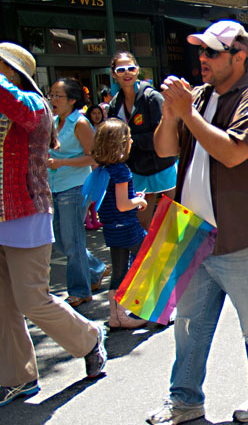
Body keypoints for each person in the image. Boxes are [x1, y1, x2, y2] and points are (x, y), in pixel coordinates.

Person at [149, 20, 248, 425]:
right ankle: (185, 399)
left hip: (242, 234)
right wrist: (172, 115)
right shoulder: (199, 97)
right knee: (188, 326)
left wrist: (188, 113)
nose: (202, 59)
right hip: (190, 231)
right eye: (201, 52)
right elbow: (164, 150)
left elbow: (231, 154)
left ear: (239, 57)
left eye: (212, 52)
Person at [0, 42, 106, 406]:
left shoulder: (35, 106)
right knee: (2, 304)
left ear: (12, 74)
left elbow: (15, 107)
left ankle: (89, 338)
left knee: (32, 299)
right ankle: (19, 377)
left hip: (25, 215)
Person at [47, 77, 108, 307]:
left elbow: (93, 157)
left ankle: (80, 291)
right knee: (61, 242)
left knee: (72, 243)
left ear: (72, 100)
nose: (53, 99)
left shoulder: (80, 123)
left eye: (57, 95)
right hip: (54, 187)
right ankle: (96, 269)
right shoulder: (53, 121)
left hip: (74, 187)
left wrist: (61, 163)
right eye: (51, 94)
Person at [90, 118, 148, 329]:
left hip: (112, 229)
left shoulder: (102, 169)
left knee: (119, 270)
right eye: (129, 137)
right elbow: (124, 204)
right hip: (128, 227)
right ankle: (149, 308)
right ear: (121, 143)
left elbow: (113, 200)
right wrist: (140, 201)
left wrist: (133, 197)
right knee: (149, 261)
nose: (132, 140)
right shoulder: (122, 170)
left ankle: (117, 316)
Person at [108, 51, 178, 228]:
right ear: (114, 73)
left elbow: (163, 134)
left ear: (137, 70)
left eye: (131, 68)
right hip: (137, 168)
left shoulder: (152, 97)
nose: (127, 73)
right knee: (142, 222)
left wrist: (129, 139)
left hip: (163, 166)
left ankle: (179, 255)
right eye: (121, 69)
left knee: (173, 219)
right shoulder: (115, 105)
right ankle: (146, 255)